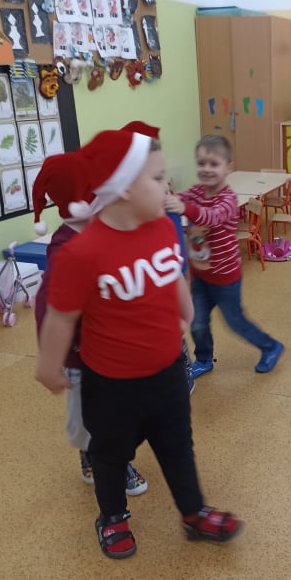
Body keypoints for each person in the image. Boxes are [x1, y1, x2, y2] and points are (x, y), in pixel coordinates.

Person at [36, 129, 241, 559]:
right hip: (112, 385)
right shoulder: (82, 252)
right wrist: (49, 366)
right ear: (125, 187)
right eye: (158, 178)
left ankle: (193, 513)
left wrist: (186, 312)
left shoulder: (163, 228)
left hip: (167, 373)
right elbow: (61, 316)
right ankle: (112, 517)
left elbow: (173, 273)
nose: (168, 188)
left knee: (178, 446)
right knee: (110, 455)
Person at [33, 154, 148, 495]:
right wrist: (53, 358)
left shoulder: (104, 229)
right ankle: (99, 458)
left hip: (113, 350)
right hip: (81, 357)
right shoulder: (65, 248)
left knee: (119, 412)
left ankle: (107, 452)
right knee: (90, 420)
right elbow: (48, 308)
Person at [165, 134, 283, 378]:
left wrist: (184, 208)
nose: (206, 169)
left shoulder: (228, 199)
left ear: (228, 167)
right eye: (201, 163)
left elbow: (211, 217)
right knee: (197, 321)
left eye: (214, 164)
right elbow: (180, 199)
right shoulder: (196, 191)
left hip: (226, 277)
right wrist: (166, 195)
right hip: (201, 275)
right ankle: (204, 359)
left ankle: (270, 346)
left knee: (235, 322)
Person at [121, 121, 195, 397]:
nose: (165, 185)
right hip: (149, 292)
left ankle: (182, 375)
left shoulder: (166, 207)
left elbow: (178, 251)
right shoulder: (133, 214)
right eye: (156, 177)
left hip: (170, 282)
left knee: (175, 336)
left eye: (162, 177)